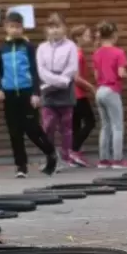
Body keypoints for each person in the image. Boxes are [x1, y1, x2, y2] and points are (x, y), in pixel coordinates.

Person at [0, 11, 57, 178]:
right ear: (5, 28)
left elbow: (34, 70)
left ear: (22, 28)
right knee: (14, 131)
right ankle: (21, 166)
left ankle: (50, 152)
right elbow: (0, 71)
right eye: (11, 27)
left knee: (32, 129)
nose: (14, 30)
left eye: (18, 27)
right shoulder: (2, 49)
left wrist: (36, 93)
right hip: (9, 94)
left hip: (26, 92)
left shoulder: (28, 47)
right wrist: (0, 88)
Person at [92, 20, 127, 168]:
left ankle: (103, 159)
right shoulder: (119, 52)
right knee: (117, 126)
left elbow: (96, 75)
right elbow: (121, 73)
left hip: (99, 90)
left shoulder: (97, 53)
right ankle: (118, 159)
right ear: (114, 35)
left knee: (105, 126)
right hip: (112, 90)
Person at [37, 13, 79, 168]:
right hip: (48, 91)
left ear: (65, 28)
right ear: (47, 30)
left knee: (66, 127)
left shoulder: (71, 46)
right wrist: (58, 81)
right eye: (51, 27)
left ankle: (65, 157)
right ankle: (50, 157)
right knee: (48, 126)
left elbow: (72, 68)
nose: (54, 30)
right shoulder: (42, 48)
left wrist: (63, 81)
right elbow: (41, 71)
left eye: (58, 26)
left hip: (65, 92)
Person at [70, 25, 96, 167]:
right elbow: (76, 77)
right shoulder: (77, 54)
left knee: (76, 125)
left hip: (73, 94)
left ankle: (74, 154)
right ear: (78, 38)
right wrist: (91, 87)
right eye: (86, 35)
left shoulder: (74, 52)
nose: (89, 38)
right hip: (78, 94)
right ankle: (73, 150)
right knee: (90, 122)